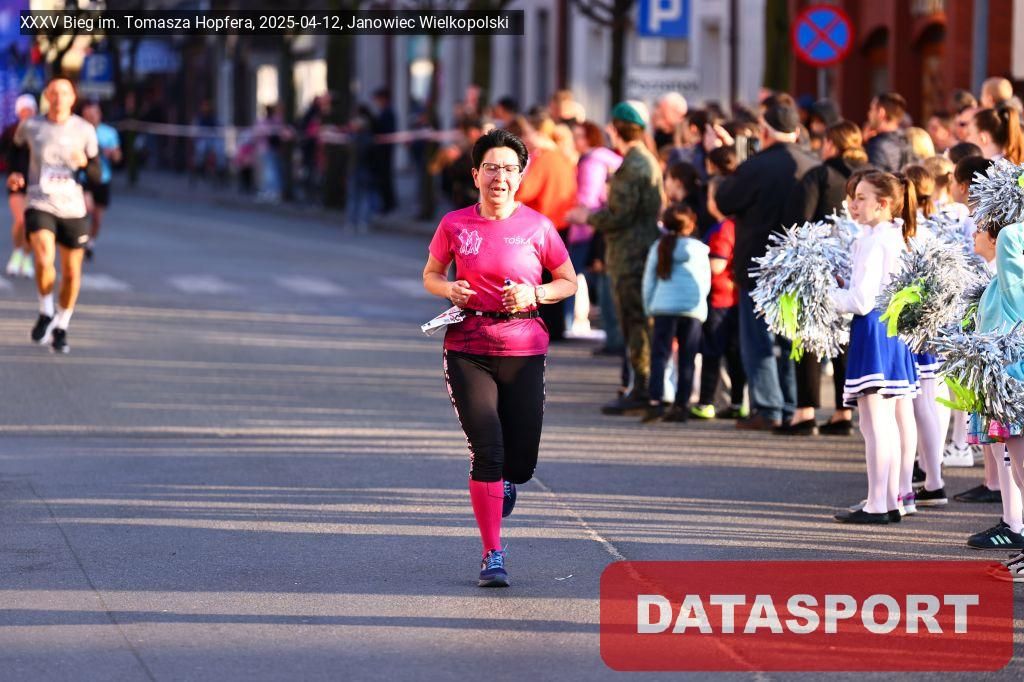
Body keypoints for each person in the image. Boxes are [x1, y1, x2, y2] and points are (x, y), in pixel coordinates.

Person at [422, 128, 576, 588]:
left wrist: (535, 293)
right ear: (476, 175)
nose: (500, 177)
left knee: (520, 463)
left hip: (524, 348)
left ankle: (508, 479)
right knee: (487, 450)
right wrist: (449, 288)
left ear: (521, 176)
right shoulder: (455, 224)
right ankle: (492, 552)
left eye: (509, 169)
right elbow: (431, 274)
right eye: (491, 168)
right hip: (467, 346)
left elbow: (568, 280)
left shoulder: (538, 227)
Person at [715, 99, 819, 429]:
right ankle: (790, 404)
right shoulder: (811, 163)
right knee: (790, 338)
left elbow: (725, 200)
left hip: (759, 262)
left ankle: (768, 407)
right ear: (797, 131)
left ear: (764, 131)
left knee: (758, 339)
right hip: (800, 264)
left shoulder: (756, 166)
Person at [832, 172, 920, 523]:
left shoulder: (876, 240)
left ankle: (877, 504)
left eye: (861, 198)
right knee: (883, 424)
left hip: (874, 330)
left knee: (875, 425)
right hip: (891, 330)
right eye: (853, 197)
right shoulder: (890, 235)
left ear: (883, 204)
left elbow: (861, 301)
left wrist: (824, 294)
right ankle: (889, 499)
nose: (854, 205)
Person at [566, 102, 664, 415]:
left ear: (616, 129)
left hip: (631, 252)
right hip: (636, 249)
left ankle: (643, 389)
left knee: (634, 321)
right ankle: (642, 386)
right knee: (637, 320)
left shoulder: (634, 164)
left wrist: (588, 217)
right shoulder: (642, 160)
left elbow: (620, 215)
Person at [778, 119, 869, 435]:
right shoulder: (870, 177)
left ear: (831, 143)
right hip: (859, 262)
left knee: (809, 335)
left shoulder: (819, 175)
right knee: (845, 337)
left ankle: (805, 412)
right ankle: (843, 413)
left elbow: (797, 223)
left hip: (819, 265)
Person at [7, 78, 100, 354]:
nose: (59, 98)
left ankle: (61, 324)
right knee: (44, 258)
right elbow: (14, 151)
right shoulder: (31, 126)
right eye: (54, 93)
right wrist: (16, 173)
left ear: (73, 98)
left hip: (73, 207)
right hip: (40, 201)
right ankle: (46, 310)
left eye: (65, 93)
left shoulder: (84, 130)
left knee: (71, 274)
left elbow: (97, 174)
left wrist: (85, 163)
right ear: (47, 96)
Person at [641, 203, 710, 422]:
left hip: (663, 308)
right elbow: (705, 282)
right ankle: (681, 405)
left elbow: (648, 280)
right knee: (687, 359)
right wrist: (701, 307)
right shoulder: (699, 249)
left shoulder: (660, 246)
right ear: (690, 225)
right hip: (691, 310)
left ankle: (655, 401)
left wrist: (649, 307)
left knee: (659, 356)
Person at [512, 117, 578, 342]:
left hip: (542, 224)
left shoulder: (543, 158)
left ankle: (547, 327)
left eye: (528, 133)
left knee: (542, 279)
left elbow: (526, 190)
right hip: (561, 222)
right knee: (558, 276)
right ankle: (557, 327)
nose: (525, 139)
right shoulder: (562, 157)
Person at [690, 176, 746, 420]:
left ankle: (706, 402)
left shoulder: (723, 229)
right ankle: (738, 402)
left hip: (720, 298)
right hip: (736, 298)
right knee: (735, 354)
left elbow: (717, 265)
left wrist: (697, 260)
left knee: (712, 352)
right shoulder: (740, 224)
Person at [569, 120, 622, 337]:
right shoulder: (604, 158)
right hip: (602, 224)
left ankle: (572, 321)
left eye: (579, 136)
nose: (575, 141)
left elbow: (588, 198)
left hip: (589, 227)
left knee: (573, 275)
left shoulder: (592, 161)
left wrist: (578, 215)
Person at [79, 100, 120, 260]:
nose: (91, 117)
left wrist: (112, 154)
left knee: (97, 218)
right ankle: (80, 238)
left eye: (94, 114)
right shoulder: (78, 130)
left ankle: (90, 243)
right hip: (84, 177)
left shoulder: (108, 133)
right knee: (86, 209)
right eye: (88, 114)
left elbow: (118, 156)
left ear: (99, 114)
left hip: (103, 178)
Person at [3, 94, 36, 279]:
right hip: (16, 182)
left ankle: (27, 255)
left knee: (32, 222)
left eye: (30, 110)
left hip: (37, 183)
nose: (27, 113)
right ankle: (17, 252)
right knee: (21, 220)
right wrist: (11, 174)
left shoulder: (40, 131)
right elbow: (6, 155)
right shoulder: (11, 131)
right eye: (24, 110)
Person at [864, 92, 910, 173]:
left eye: (872, 109)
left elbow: (874, 178)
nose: (869, 114)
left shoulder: (877, 145)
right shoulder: (908, 141)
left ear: (881, 112)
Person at [370, 88, 397, 213]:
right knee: (384, 177)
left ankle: (388, 203)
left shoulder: (388, 113)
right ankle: (387, 202)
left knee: (385, 177)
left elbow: (385, 130)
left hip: (385, 150)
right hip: (383, 149)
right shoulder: (384, 112)